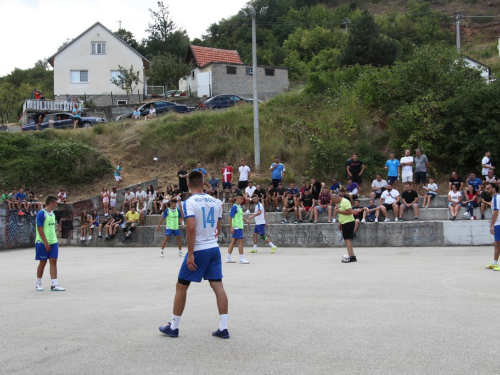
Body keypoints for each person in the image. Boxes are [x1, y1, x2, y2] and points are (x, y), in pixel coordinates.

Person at [158, 171, 229, 339]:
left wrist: (190, 254)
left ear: (188, 185)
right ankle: (223, 327)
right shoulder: (216, 202)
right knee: (218, 286)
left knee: (181, 285)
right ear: (204, 183)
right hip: (214, 248)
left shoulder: (189, 202)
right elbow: (218, 226)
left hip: (198, 249)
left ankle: (174, 327)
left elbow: (190, 228)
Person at [35, 196, 65, 292]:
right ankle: (38, 283)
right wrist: (46, 242)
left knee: (53, 262)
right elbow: (40, 228)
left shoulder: (52, 214)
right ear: (51, 203)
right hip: (42, 242)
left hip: (53, 241)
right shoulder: (41, 214)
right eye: (55, 203)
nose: (56, 205)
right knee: (43, 262)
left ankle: (54, 284)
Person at [226, 189, 250, 264]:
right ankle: (242, 258)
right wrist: (231, 228)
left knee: (233, 242)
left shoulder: (238, 207)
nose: (242, 200)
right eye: (240, 198)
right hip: (236, 227)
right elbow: (230, 217)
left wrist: (245, 220)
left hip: (238, 227)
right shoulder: (234, 207)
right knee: (241, 242)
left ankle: (228, 257)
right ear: (237, 198)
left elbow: (239, 217)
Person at [332, 194, 357, 263]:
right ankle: (352, 256)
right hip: (344, 223)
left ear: (337, 198)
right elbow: (340, 215)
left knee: (347, 239)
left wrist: (339, 211)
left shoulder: (345, 202)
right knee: (347, 239)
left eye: (335, 200)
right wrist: (340, 223)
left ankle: (351, 256)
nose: (334, 202)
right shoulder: (339, 203)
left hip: (348, 222)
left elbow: (350, 212)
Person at [486, 183, 500, 269]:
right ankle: (494, 262)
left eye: (488, 188)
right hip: (498, 223)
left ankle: (495, 263)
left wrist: (491, 225)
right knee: (497, 243)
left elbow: (495, 212)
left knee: (497, 243)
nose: (486, 190)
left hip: (498, 223)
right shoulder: (496, 198)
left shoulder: (496, 198)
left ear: (494, 189)